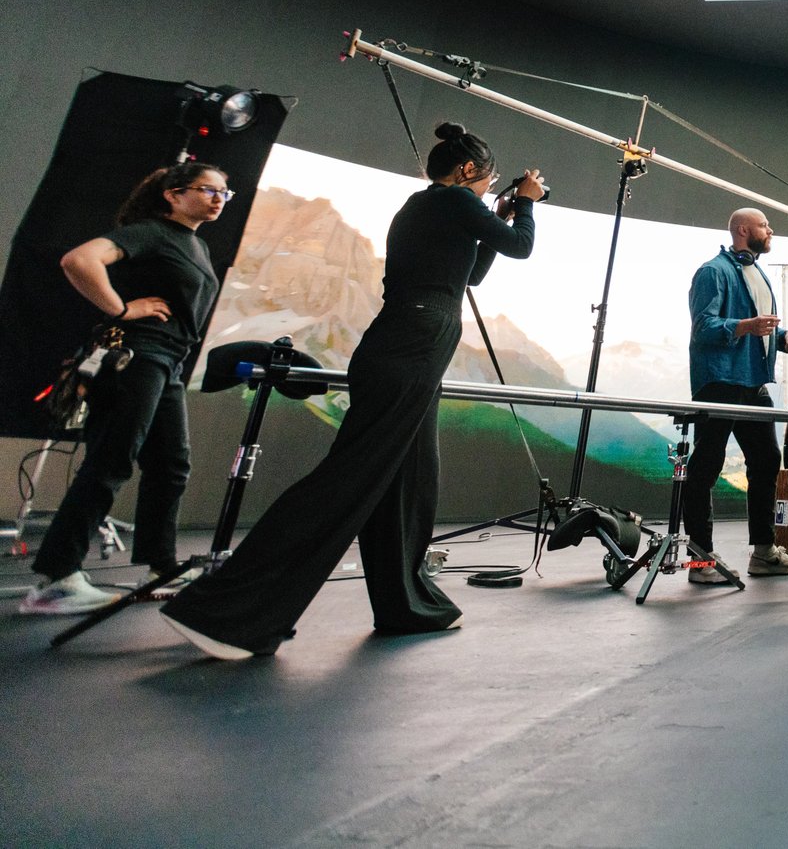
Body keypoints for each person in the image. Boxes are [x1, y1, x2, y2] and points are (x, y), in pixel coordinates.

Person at [161, 123, 540, 659]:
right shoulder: (452, 200)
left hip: (411, 352)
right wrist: (525, 206)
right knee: (346, 482)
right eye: (489, 180)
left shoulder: (436, 207)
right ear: (470, 171)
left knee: (410, 484)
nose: (489, 188)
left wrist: (497, 217)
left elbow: (472, 276)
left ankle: (406, 606)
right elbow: (522, 247)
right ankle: (223, 613)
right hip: (408, 351)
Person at [21, 162, 231, 615]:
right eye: (208, 190)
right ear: (173, 195)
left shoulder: (194, 244)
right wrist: (121, 309)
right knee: (111, 460)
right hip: (137, 355)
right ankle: (56, 579)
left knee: (171, 465)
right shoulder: (151, 231)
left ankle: (162, 567)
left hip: (168, 361)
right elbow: (79, 260)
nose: (218, 199)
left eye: (224, 193)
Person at [683, 207, 788, 582]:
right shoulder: (712, 271)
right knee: (706, 467)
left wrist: (781, 337)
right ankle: (699, 562)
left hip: (753, 384)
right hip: (720, 382)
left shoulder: (756, 272)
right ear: (743, 230)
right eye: (764, 225)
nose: (770, 231)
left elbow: (759, 324)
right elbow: (703, 328)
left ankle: (764, 553)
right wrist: (748, 326)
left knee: (767, 460)